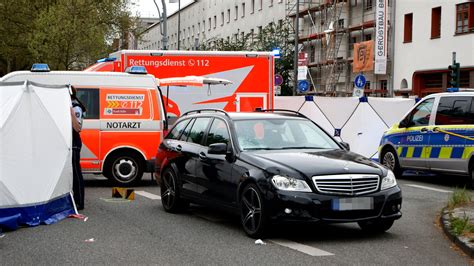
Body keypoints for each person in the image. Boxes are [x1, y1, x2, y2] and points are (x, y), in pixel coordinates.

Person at [70, 86, 86, 210]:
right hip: (70, 142)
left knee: (76, 172)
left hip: (74, 142)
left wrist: (70, 112)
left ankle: (79, 201)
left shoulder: (75, 106)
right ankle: (75, 199)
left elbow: (77, 127)